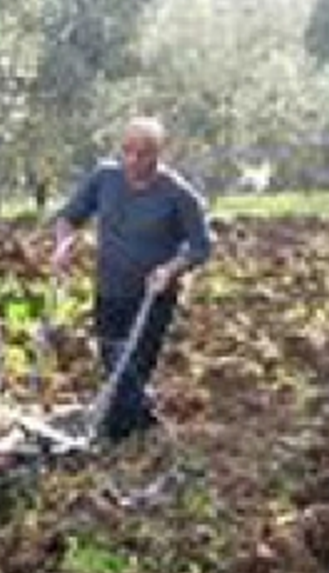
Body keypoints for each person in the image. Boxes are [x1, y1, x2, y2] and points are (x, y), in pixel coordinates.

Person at [52, 116, 212, 443]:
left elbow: (201, 245)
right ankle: (137, 426)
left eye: (144, 154)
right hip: (109, 290)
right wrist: (64, 245)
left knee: (132, 367)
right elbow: (69, 217)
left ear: (159, 154)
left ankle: (120, 434)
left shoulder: (178, 194)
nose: (134, 161)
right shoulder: (104, 178)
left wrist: (170, 270)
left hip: (154, 298)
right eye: (128, 151)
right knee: (114, 364)